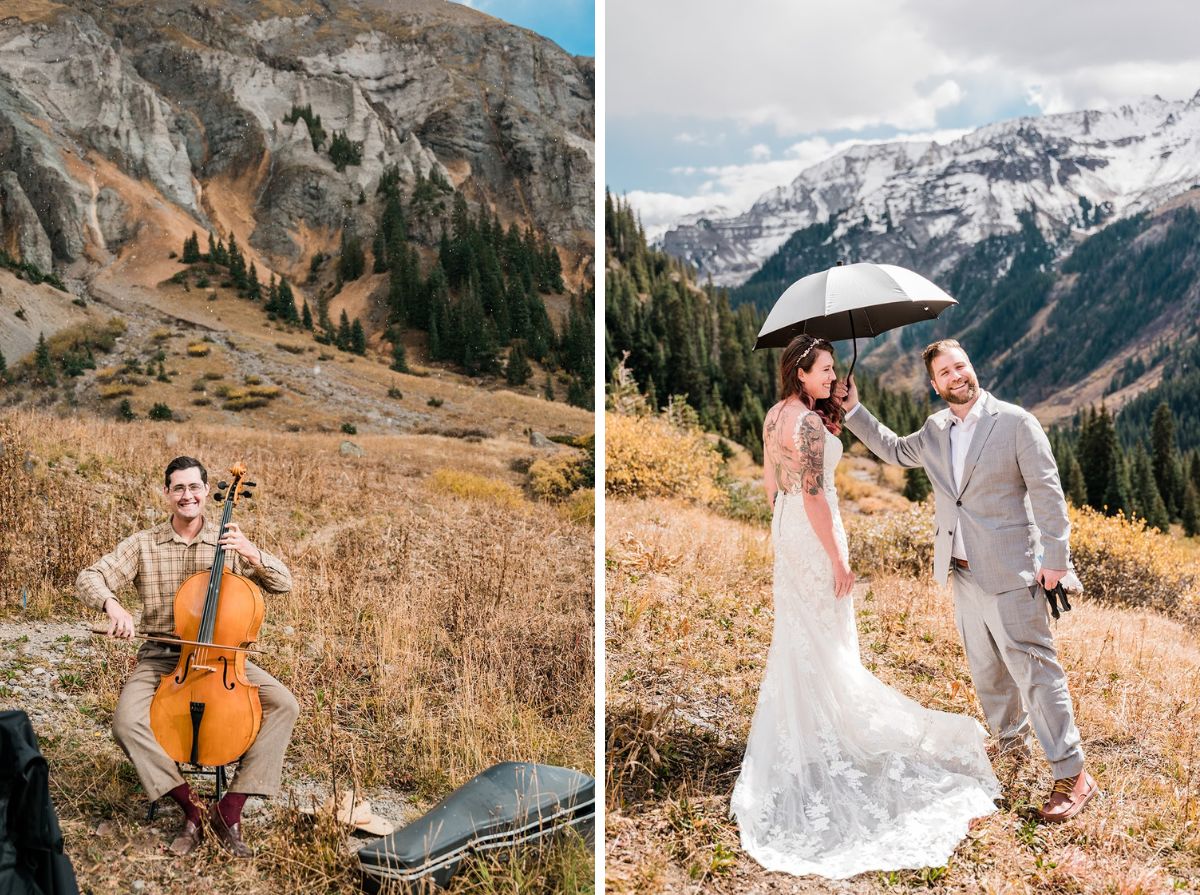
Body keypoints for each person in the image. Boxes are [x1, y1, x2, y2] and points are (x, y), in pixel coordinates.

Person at [731, 334, 1000, 880]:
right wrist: (835, 558)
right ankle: (827, 732)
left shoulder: (775, 414)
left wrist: (786, 527)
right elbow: (812, 494)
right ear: (800, 372)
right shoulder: (806, 424)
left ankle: (806, 731)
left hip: (787, 528)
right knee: (825, 636)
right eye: (824, 370)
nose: (832, 376)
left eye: (833, 368)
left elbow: (771, 482)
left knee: (799, 635)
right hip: (813, 530)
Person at [840, 338, 1097, 823]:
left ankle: (1073, 773)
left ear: (972, 368)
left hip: (1012, 572)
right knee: (988, 674)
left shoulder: (1016, 422)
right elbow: (894, 452)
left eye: (961, 366)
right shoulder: (936, 429)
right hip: (962, 575)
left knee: (1037, 673)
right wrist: (854, 409)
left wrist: (1056, 560)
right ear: (935, 386)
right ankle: (1012, 747)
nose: (957, 376)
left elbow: (1048, 493)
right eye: (945, 372)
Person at [76, 456, 299, 858]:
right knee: (126, 723)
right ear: (166, 494)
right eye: (177, 488)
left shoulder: (227, 541)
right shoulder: (144, 543)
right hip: (164, 658)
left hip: (223, 658)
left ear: (206, 491)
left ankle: (229, 810)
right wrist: (113, 606)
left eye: (194, 487)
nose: (187, 495)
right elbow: (90, 576)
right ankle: (191, 807)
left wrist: (251, 553)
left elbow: (283, 584)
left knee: (285, 704)